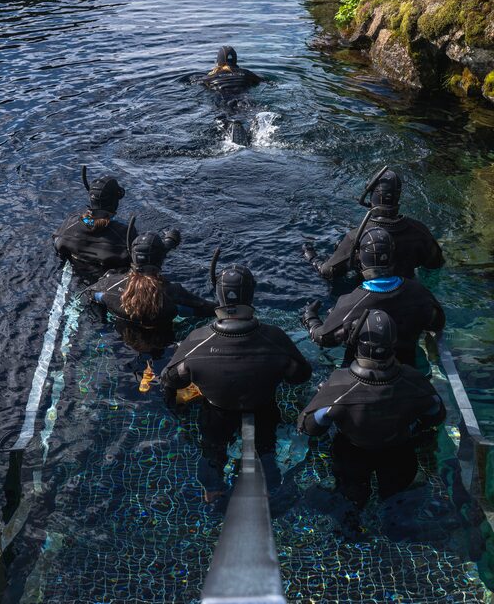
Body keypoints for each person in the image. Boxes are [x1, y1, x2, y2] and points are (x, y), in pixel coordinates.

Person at [163, 263, 312, 502]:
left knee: (212, 451)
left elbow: (169, 379)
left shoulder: (197, 340)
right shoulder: (274, 337)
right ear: (251, 295)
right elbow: (301, 375)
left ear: (218, 297)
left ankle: (213, 491)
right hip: (263, 407)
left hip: (216, 410)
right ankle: (270, 485)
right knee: (266, 448)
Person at [297, 309, 446, 533]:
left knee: (351, 499)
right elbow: (436, 414)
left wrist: (324, 401)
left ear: (356, 342)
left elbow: (310, 427)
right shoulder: (415, 381)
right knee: (397, 500)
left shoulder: (339, 386)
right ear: (393, 342)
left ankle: (351, 532)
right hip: (399, 454)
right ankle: (396, 530)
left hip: (352, 453)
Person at [301, 226, 444, 366]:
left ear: (360, 258)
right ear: (392, 255)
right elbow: (438, 323)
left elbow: (322, 338)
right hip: (407, 366)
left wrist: (310, 317)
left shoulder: (351, 303)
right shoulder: (420, 292)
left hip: (359, 372)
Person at [305, 167, 443, 283]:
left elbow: (329, 271)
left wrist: (312, 257)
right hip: (408, 292)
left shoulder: (357, 236)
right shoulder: (419, 231)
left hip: (368, 298)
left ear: (372, 195)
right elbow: (436, 264)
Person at [89, 227, 214, 328]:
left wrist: (103, 320)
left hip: (124, 337)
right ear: (160, 260)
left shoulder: (112, 283)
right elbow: (209, 309)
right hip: (165, 342)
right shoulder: (173, 292)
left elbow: (89, 294)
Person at [53, 167, 136, 282]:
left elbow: (57, 241)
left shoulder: (70, 223)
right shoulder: (125, 234)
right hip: (107, 283)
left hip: (73, 276)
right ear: (114, 202)